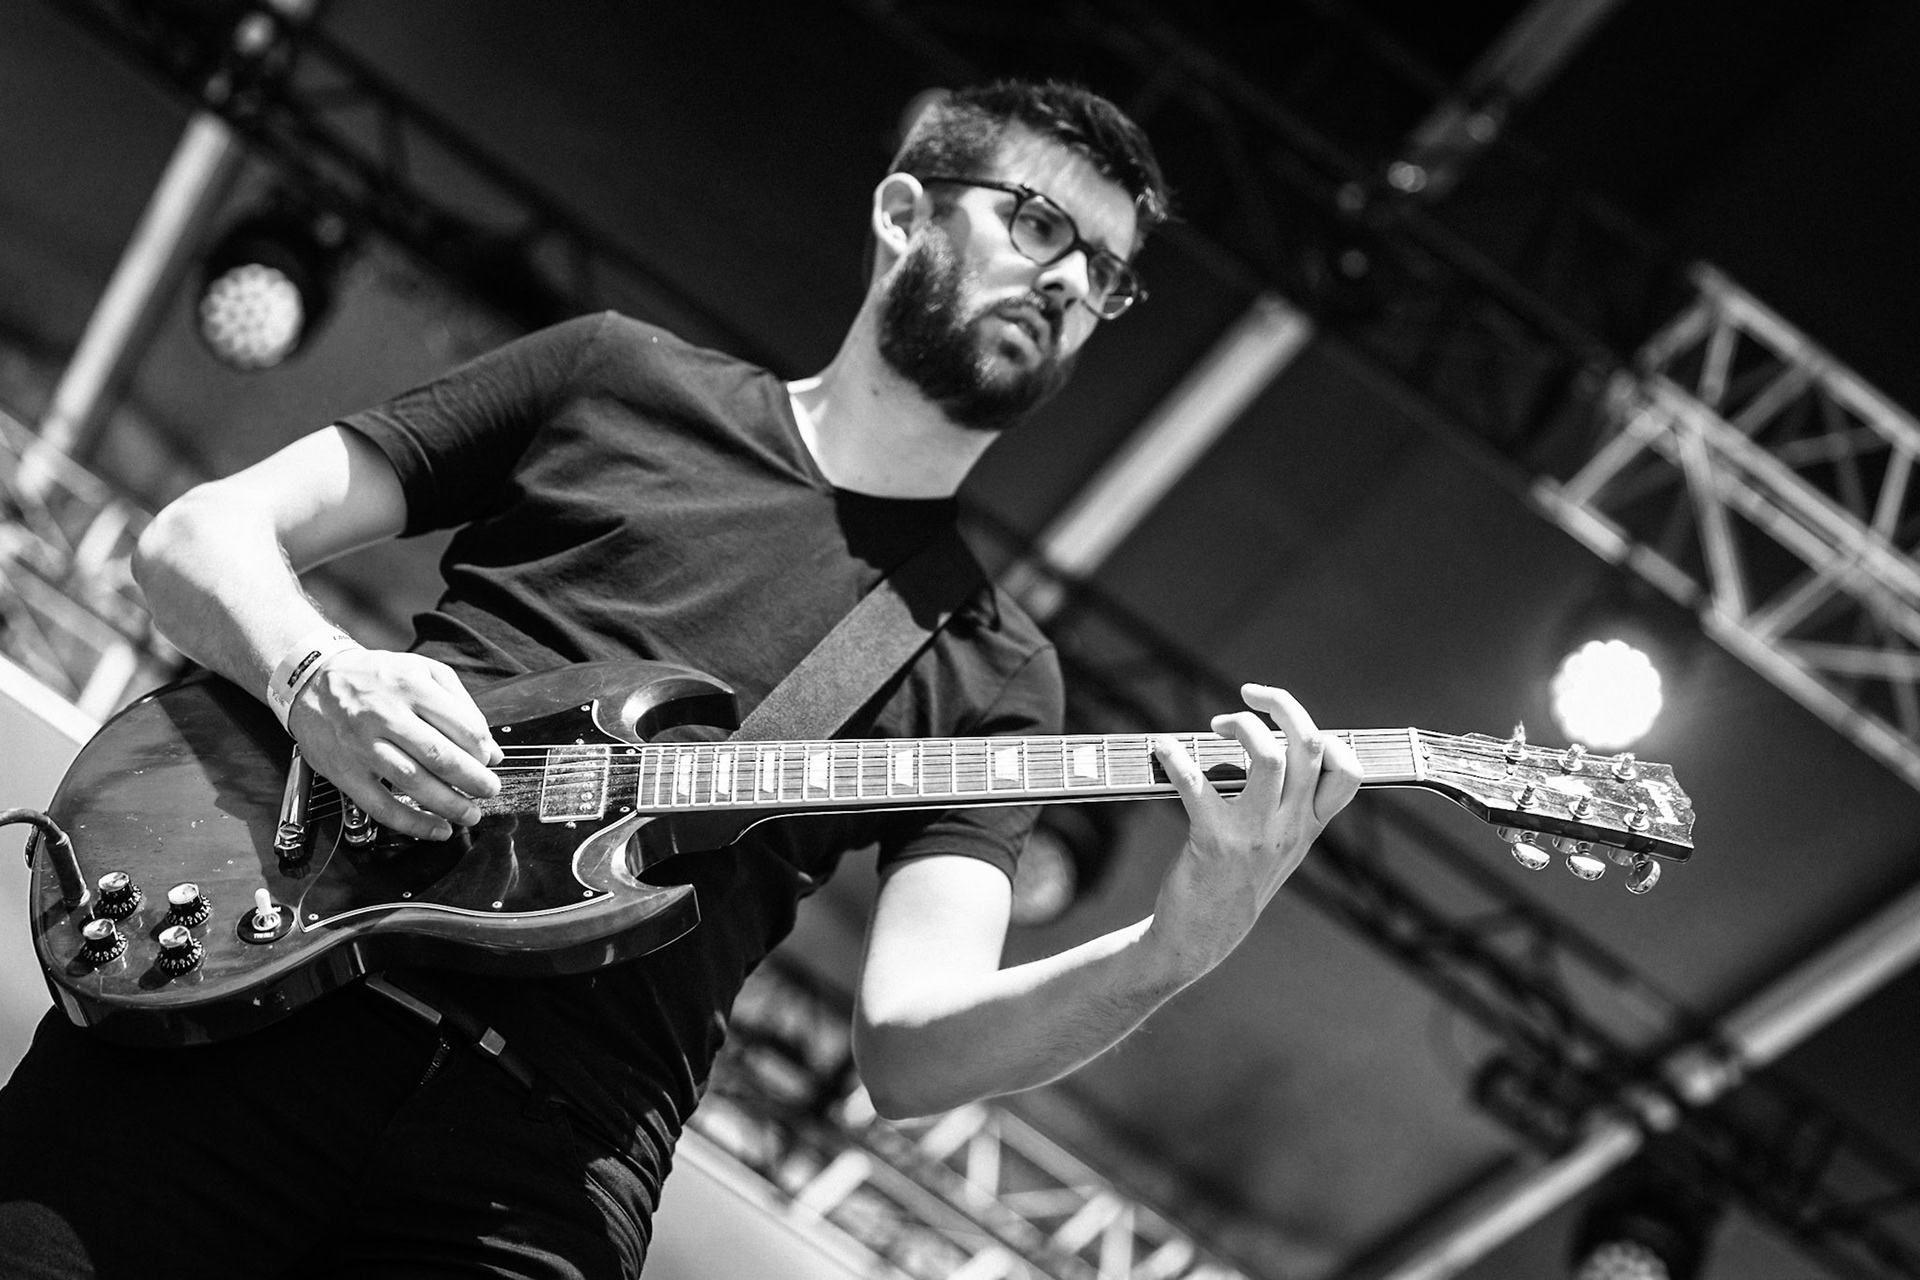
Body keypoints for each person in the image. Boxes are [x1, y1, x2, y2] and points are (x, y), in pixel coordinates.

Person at [0, 80, 1362, 1278]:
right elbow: (198, 540)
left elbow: (909, 1048)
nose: (1068, 284)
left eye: (1107, 276)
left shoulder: (995, 666)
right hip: (253, 1004)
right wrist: (319, 677)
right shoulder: (616, 377)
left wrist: (1181, 944)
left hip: (538, 1166)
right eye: (1039, 224)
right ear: (903, 212)